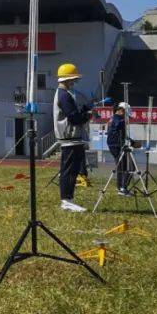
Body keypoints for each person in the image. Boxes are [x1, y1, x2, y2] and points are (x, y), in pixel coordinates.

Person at [53, 63, 92, 212]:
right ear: (68, 79)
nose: (74, 82)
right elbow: (74, 118)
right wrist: (87, 115)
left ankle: (69, 199)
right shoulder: (64, 95)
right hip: (69, 138)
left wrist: (84, 111)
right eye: (73, 79)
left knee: (73, 170)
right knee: (68, 170)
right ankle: (66, 200)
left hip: (73, 138)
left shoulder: (65, 94)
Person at [106, 101, 133, 196]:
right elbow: (117, 125)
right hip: (115, 145)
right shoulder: (116, 118)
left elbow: (123, 135)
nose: (127, 117)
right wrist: (125, 121)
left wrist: (132, 142)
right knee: (125, 167)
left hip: (118, 144)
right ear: (121, 110)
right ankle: (122, 188)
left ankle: (122, 187)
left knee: (124, 166)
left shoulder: (118, 118)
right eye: (126, 114)